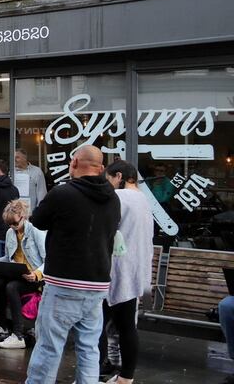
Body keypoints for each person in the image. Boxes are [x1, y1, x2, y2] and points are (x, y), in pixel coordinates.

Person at [25, 145, 121, 384]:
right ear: (100, 167)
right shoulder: (113, 198)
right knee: (89, 348)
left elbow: (37, 221)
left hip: (64, 282)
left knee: (49, 345)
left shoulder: (63, 193)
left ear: (75, 162)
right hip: (97, 284)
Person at [98, 160, 154, 384]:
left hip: (114, 270)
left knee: (96, 326)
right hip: (136, 270)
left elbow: (105, 230)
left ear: (118, 176)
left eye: (108, 179)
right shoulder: (144, 199)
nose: (108, 185)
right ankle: (126, 378)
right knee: (127, 327)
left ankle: (90, 374)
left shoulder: (119, 198)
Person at [0, 199, 46, 350]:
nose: (13, 227)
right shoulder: (10, 233)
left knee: (12, 287)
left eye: (15, 224)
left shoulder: (36, 232)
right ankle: (2, 328)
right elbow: (7, 258)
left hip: (36, 277)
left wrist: (37, 273)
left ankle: (18, 335)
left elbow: (49, 260)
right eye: (10, 225)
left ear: (23, 216)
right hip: (19, 274)